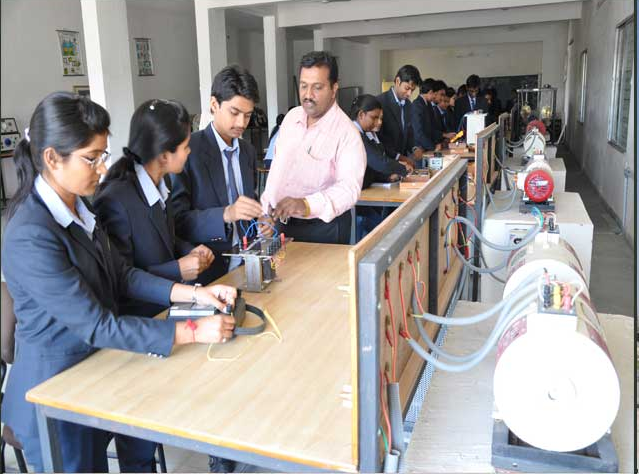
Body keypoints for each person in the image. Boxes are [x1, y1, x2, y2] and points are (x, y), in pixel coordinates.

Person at [1, 91, 237, 473]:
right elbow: (96, 324)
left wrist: (197, 293)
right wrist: (192, 330)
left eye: (103, 155)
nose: (102, 168)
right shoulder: (31, 233)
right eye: (91, 158)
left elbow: (122, 275)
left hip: (95, 371)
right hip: (53, 393)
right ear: (52, 158)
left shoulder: (79, 206)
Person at [95, 99, 214, 319]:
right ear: (164, 156)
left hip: (166, 307)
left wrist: (190, 251)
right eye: (185, 147)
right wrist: (177, 269)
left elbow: (165, 237)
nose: (189, 152)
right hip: (141, 317)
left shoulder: (161, 182)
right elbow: (121, 277)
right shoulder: (115, 201)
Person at [171, 66, 271, 285]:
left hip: (247, 266)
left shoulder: (247, 152)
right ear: (214, 105)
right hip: (208, 272)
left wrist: (259, 220)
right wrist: (226, 214)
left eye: (248, 115)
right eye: (234, 113)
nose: (241, 123)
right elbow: (176, 221)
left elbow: (248, 201)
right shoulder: (189, 151)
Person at [260, 51, 366, 244]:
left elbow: (349, 189)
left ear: (334, 89)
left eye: (317, 87)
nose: (308, 95)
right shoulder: (291, 118)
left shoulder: (347, 133)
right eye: (303, 86)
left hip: (323, 229)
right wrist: (266, 210)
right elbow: (277, 170)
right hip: (282, 223)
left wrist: (306, 204)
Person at [350, 94, 409, 240]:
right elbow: (378, 162)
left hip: (364, 191)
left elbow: (372, 166)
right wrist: (403, 169)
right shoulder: (353, 134)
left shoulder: (365, 134)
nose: (378, 122)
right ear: (361, 115)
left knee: (384, 229)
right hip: (353, 200)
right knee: (384, 234)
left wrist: (387, 177)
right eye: (374, 117)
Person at [376, 65, 424, 168]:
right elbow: (378, 139)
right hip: (385, 163)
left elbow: (408, 132)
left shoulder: (408, 105)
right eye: (407, 88)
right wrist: (398, 157)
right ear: (398, 81)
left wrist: (414, 148)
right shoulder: (381, 102)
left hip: (403, 162)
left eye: (412, 90)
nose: (409, 94)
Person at [411, 78, 439, 152]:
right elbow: (418, 132)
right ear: (430, 92)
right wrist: (433, 147)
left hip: (428, 146)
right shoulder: (417, 105)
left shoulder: (428, 104)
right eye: (435, 94)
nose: (435, 97)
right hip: (420, 148)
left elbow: (432, 128)